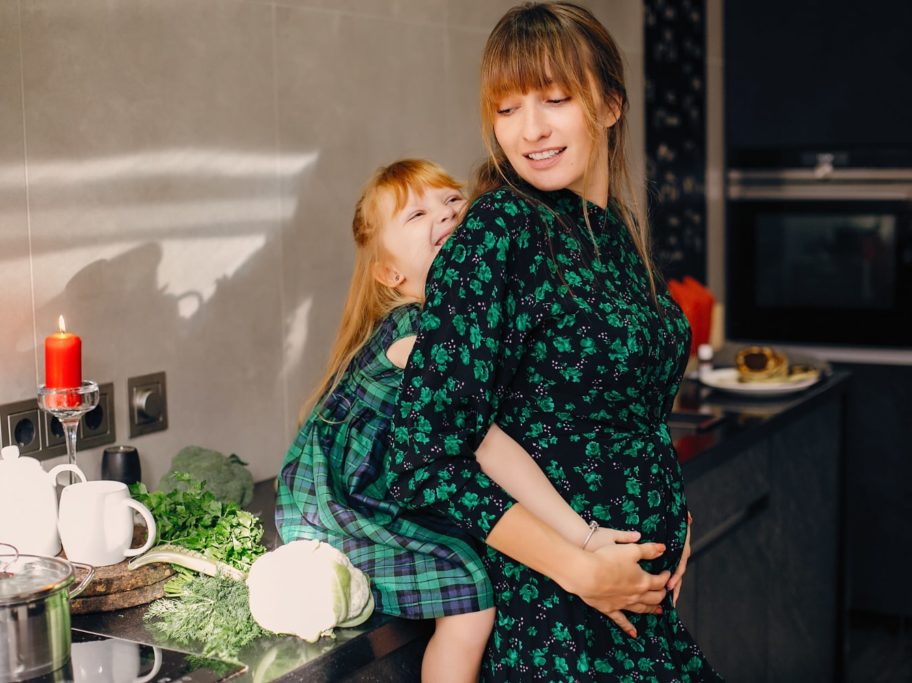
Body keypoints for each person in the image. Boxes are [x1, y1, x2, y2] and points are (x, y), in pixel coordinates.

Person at [386, 3, 720, 681]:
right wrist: (581, 569)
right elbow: (424, 455)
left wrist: (669, 511)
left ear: (610, 103)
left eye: (555, 100)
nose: (529, 130)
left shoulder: (610, 229)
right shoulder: (498, 235)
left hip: (634, 604)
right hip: (557, 618)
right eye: (507, 109)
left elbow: (627, 413)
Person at [276, 158, 667, 683]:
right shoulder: (420, 334)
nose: (446, 215)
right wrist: (581, 534)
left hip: (379, 486)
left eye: (452, 201)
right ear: (390, 273)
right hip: (342, 503)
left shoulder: (462, 318)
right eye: (416, 216)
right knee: (470, 599)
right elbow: (487, 445)